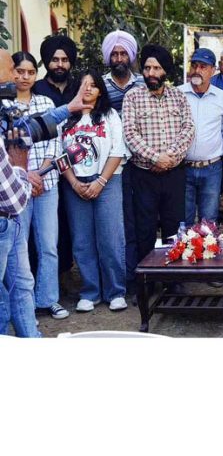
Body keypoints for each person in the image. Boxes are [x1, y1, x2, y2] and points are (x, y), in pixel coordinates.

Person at [122, 44, 195, 276]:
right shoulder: (132, 97)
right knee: (145, 229)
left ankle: (173, 278)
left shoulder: (178, 96)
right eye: (147, 68)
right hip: (144, 174)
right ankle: (148, 280)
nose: (151, 73)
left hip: (173, 173)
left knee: (175, 226)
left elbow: (189, 129)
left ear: (166, 71)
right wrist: (155, 157)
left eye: (156, 68)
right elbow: (130, 134)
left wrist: (169, 158)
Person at [61, 70, 129, 312]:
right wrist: (73, 182)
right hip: (75, 184)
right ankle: (90, 292)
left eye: (93, 85)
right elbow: (59, 155)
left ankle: (115, 291)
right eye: (83, 85)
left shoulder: (109, 116)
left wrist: (100, 181)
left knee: (111, 238)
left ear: (101, 90)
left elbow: (117, 150)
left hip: (108, 181)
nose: (88, 89)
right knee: (82, 240)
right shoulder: (66, 117)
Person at [12, 52, 69, 320]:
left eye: (30, 72)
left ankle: (48, 299)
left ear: (36, 75)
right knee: (19, 247)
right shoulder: (5, 106)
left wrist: (41, 174)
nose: (25, 77)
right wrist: (27, 176)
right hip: (15, 188)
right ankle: (23, 304)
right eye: (20, 71)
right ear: (12, 73)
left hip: (47, 184)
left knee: (48, 244)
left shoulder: (45, 102)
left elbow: (54, 143)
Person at [101, 29, 144, 295]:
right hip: (113, 166)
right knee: (123, 221)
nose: (119, 58)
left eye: (123, 53)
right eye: (114, 54)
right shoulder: (101, 84)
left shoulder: (142, 83)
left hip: (141, 162)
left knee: (143, 219)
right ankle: (126, 278)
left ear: (131, 56)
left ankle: (144, 273)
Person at [0, 49, 39, 337]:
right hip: (5, 219)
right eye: (11, 69)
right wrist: (22, 167)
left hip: (8, 226)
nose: (17, 75)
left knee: (22, 284)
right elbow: (15, 200)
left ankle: (32, 342)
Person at [34, 33, 81, 276]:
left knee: (73, 222)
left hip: (78, 164)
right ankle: (52, 278)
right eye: (54, 59)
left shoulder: (79, 88)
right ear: (46, 62)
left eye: (64, 59)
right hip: (46, 166)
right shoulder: (36, 89)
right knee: (48, 226)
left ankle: (70, 272)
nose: (60, 64)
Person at [180, 48, 223, 225]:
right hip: (182, 167)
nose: (197, 70)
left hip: (211, 168)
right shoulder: (177, 94)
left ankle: (208, 253)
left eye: (203, 66)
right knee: (183, 220)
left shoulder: (222, 98)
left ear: (212, 70)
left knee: (209, 222)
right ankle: (181, 253)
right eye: (194, 65)